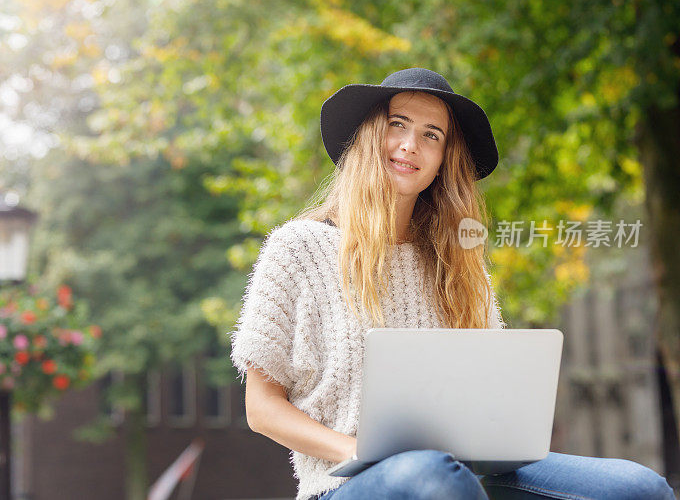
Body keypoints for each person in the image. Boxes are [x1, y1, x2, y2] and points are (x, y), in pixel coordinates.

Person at [229, 68, 675, 500]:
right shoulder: (298, 248)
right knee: (432, 475)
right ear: (367, 137)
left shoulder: (460, 263)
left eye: (431, 135)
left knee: (639, 486)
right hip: (349, 482)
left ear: (443, 161)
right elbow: (262, 408)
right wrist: (356, 450)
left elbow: (490, 390)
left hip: (467, 467)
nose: (409, 145)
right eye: (396, 125)